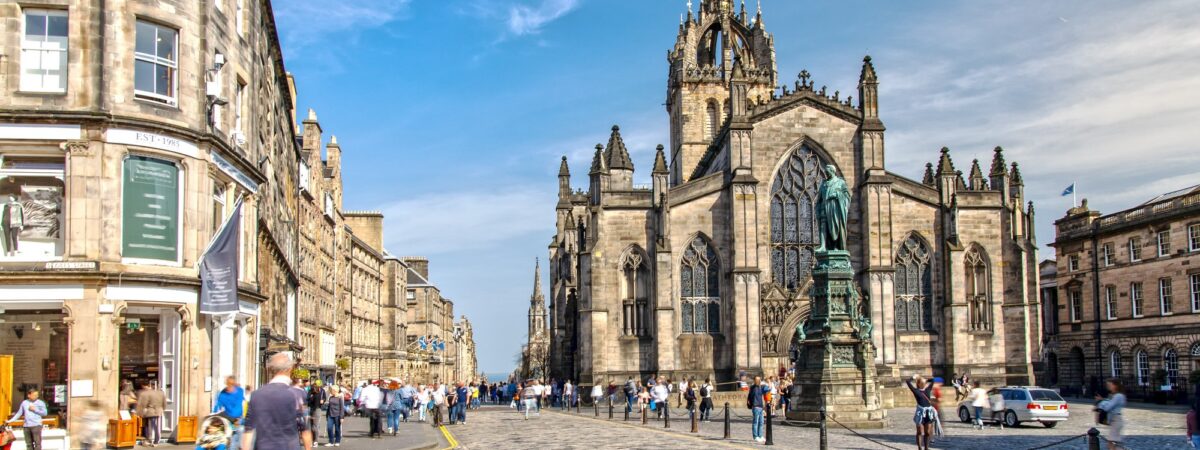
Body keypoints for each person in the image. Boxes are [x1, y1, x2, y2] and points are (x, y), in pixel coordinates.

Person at [241, 352, 312, 450]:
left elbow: (248, 431)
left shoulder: (256, 395)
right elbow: (305, 429)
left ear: (269, 370)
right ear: (290, 369)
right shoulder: (296, 395)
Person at [214, 376, 246, 450]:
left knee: (240, 431)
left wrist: (240, 419)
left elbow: (243, 404)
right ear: (226, 384)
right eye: (228, 384)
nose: (229, 386)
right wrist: (214, 413)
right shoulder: (223, 394)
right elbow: (218, 405)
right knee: (230, 438)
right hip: (228, 418)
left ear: (234, 384)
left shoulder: (240, 391)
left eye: (231, 384)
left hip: (238, 418)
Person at [906, 376, 938, 450]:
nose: (924, 383)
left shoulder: (927, 389)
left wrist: (926, 379)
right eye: (922, 382)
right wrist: (913, 378)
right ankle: (919, 448)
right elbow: (907, 382)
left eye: (925, 382)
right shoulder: (916, 391)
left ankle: (926, 448)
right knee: (920, 431)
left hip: (928, 413)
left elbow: (933, 380)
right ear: (919, 383)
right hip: (920, 413)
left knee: (927, 432)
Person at [1095, 378, 1126, 450]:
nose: (1108, 387)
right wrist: (1102, 400)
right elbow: (1110, 403)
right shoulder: (1114, 395)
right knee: (1116, 443)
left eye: (1110, 385)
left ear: (1115, 386)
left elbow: (1108, 407)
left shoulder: (1118, 396)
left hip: (1116, 420)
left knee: (1112, 442)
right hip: (1114, 420)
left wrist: (1101, 403)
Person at [136, 381, 166, 447]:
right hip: (158, 411)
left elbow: (142, 404)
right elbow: (164, 403)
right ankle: (155, 440)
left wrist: (139, 412)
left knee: (151, 426)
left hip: (150, 411)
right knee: (154, 425)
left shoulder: (146, 393)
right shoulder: (161, 393)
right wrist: (162, 409)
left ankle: (151, 440)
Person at [747, 376, 766, 444]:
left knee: (761, 422)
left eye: (759, 380)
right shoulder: (753, 388)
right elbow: (752, 397)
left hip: (760, 406)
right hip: (755, 406)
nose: (759, 381)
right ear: (754, 381)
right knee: (756, 422)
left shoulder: (760, 387)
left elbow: (767, 390)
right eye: (757, 380)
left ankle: (760, 435)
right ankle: (755, 436)